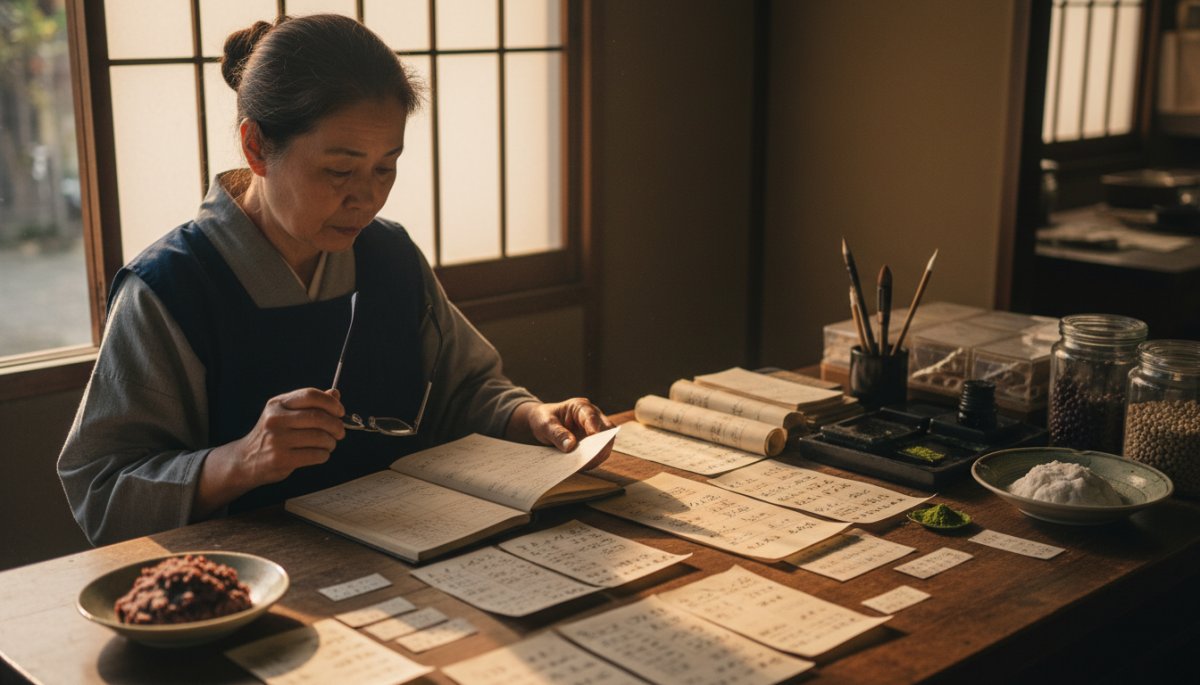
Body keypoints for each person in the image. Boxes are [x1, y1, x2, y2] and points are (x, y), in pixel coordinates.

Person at [57, 14, 612, 547]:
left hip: (409, 550)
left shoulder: (389, 255)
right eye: (339, 170)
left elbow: (463, 390)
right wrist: (239, 460)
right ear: (256, 148)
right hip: (254, 580)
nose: (366, 198)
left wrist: (530, 416)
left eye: (385, 167)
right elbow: (101, 489)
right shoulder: (168, 289)